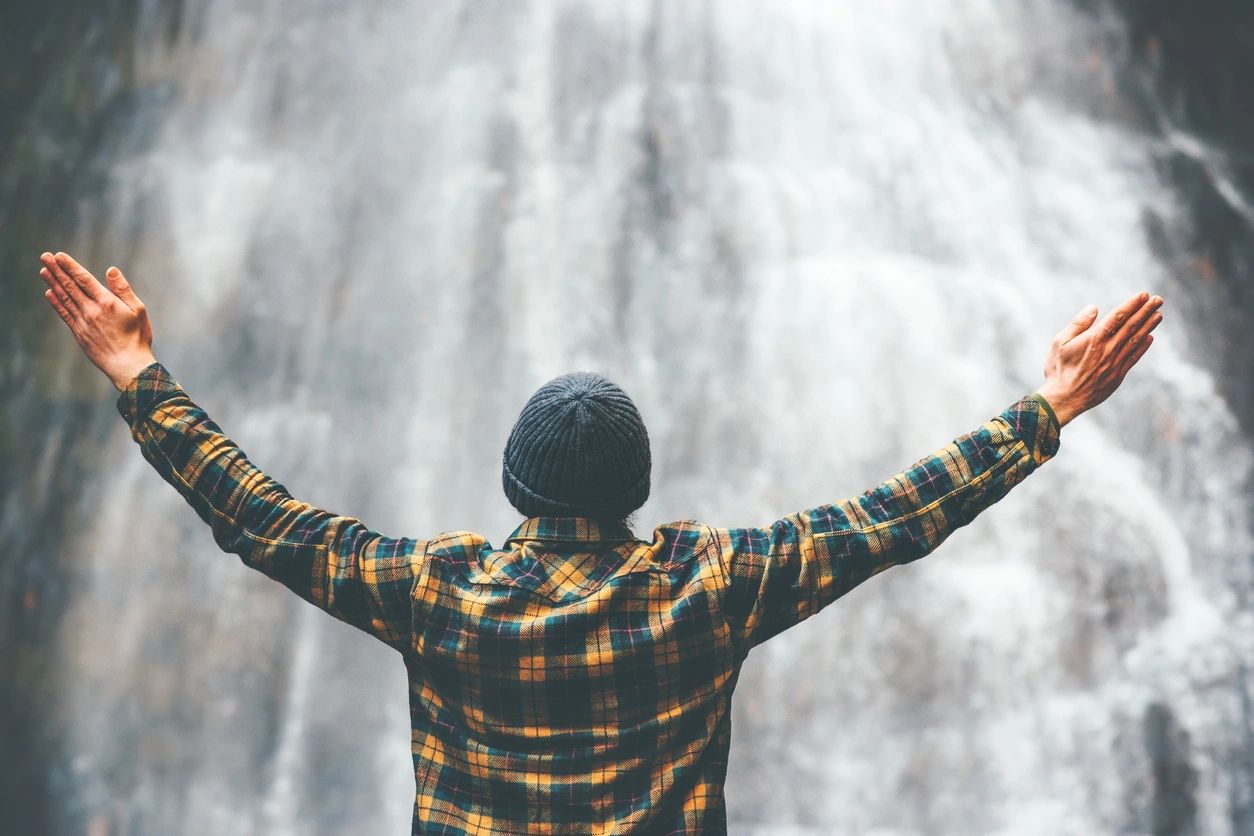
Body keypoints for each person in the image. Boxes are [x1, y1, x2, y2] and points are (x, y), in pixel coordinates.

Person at [37, 250, 1163, 834]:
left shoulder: (440, 591)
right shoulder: (711, 585)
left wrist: (140, 373)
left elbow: (260, 518)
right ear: (639, 490)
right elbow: (894, 516)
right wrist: (1048, 408)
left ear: (512, 488)